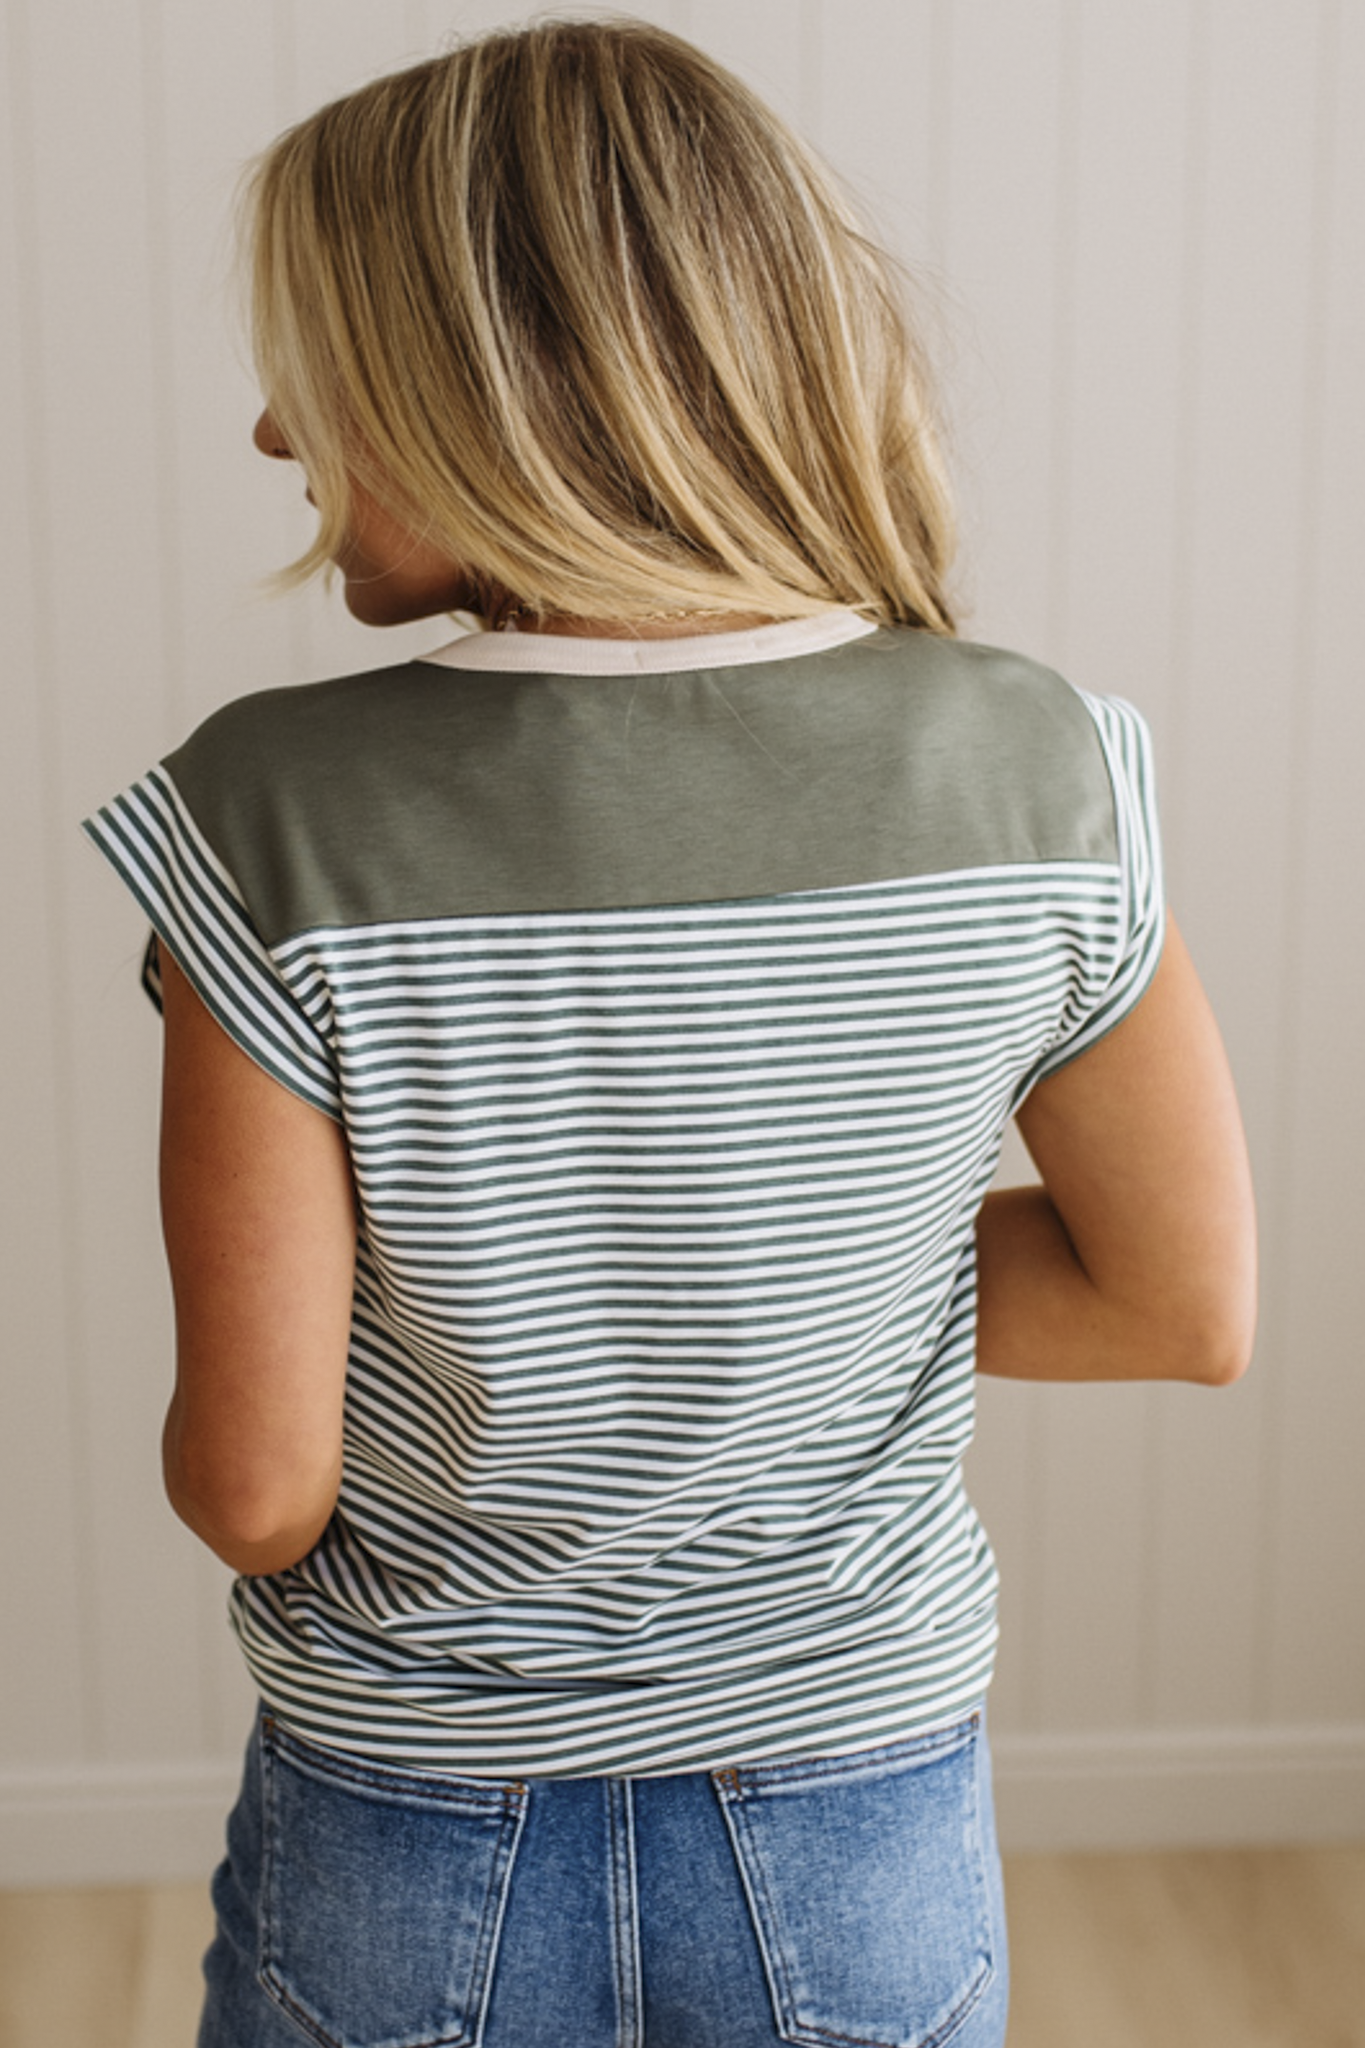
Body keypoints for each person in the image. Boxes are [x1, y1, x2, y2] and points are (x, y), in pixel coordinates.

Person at [84, 19, 1256, 2048]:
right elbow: (1179, 1302)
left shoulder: (270, 813)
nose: (277, 433)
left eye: (319, 363)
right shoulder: (1041, 768)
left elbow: (257, 1487)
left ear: (487, 384)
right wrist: (780, 1287)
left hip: (412, 1828)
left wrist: (537, 1301)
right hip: (860, 1824)